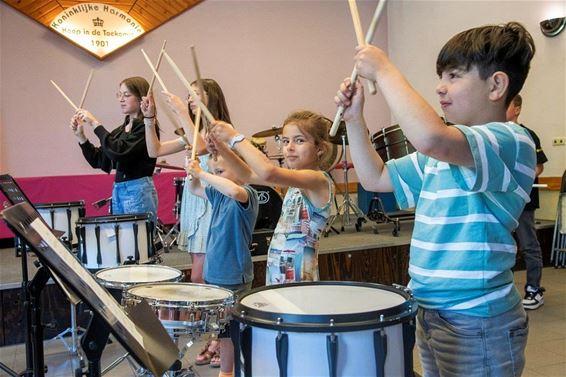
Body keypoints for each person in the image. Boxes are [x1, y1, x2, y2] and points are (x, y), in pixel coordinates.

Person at [335, 22, 536, 376]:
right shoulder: (440, 155)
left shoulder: (511, 141)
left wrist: (384, 69)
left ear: (497, 85)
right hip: (430, 311)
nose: (440, 88)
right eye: (441, 76)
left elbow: (431, 137)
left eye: (454, 76)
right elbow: (375, 177)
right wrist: (354, 119)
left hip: (478, 320)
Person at [210, 110, 335, 285]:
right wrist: (222, 149)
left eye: (299, 140)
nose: (289, 147)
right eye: (286, 141)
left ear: (320, 148)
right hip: (279, 271)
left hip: (298, 277)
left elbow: (268, 172)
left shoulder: (318, 180)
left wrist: (234, 137)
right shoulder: (295, 182)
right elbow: (246, 175)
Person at [144, 78, 232, 284]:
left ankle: (210, 313)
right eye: (189, 94)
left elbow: (201, 147)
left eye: (197, 94)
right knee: (199, 270)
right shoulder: (194, 131)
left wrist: (182, 113)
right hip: (194, 197)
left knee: (199, 276)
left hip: (211, 196)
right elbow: (154, 150)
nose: (190, 98)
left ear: (212, 98)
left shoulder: (221, 129)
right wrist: (149, 118)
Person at [186, 147, 258, 377]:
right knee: (224, 332)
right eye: (213, 171)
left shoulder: (247, 194)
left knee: (232, 333)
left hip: (233, 275)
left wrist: (205, 174)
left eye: (220, 171)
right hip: (215, 273)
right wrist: (191, 167)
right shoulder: (218, 195)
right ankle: (228, 370)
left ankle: (231, 372)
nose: (215, 175)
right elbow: (195, 188)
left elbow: (235, 191)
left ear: (240, 169)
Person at [70, 76, 159, 224]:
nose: (121, 99)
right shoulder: (121, 130)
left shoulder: (145, 127)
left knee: (138, 242)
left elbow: (119, 152)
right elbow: (99, 159)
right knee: (122, 242)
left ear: (141, 98)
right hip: (119, 190)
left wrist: (94, 123)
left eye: (127, 95)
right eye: (120, 95)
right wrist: (81, 137)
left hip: (138, 190)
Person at [506, 94, 548, 310]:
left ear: (517, 109)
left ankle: (534, 289)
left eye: (508, 104)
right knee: (504, 246)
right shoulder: (495, 135)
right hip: (503, 202)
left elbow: (539, 166)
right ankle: (504, 291)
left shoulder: (528, 135)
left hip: (524, 201)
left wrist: (520, 180)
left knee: (529, 244)